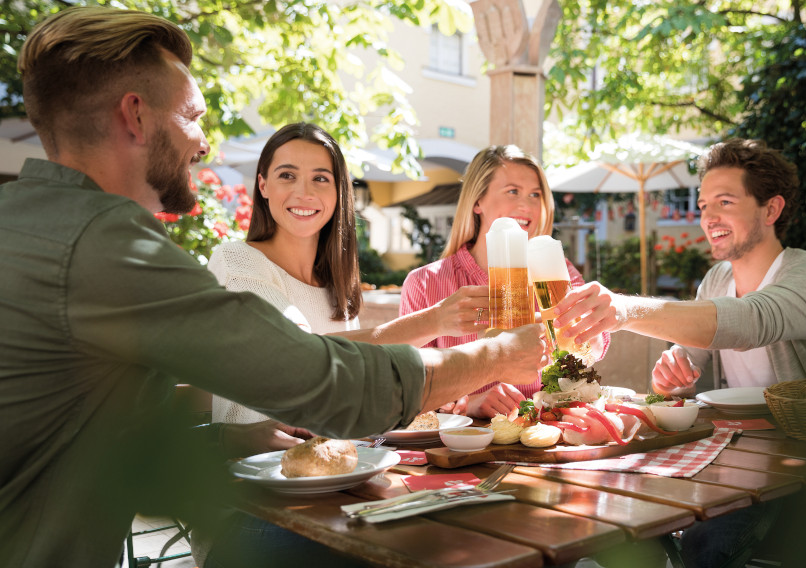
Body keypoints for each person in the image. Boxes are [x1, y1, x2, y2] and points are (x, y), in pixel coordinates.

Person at [0, 7, 546, 568]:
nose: (205, 143)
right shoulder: (103, 245)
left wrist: (228, 438)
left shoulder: (32, 222)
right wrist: (499, 354)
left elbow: (89, 425)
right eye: (193, 116)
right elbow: (325, 382)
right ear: (135, 118)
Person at [552, 138, 806, 568]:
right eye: (702, 205)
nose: (708, 218)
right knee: (700, 550)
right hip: (752, 473)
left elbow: (750, 321)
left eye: (725, 202)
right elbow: (691, 356)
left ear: (770, 210)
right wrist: (672, 371)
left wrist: (623, 309)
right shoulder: (716, 280)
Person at [195, 122, 495, 566]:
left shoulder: (336, 288)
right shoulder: (236, 262)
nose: (305, 192)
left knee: (466, 533)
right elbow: (301, 353)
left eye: (321, 178)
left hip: (337, 498)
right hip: (249, 515)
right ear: (262, 186)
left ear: (339, 193)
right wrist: (435, 320)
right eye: (286, 175)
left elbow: (346, 401)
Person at [399, 144, 610, 418]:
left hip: (543, 428)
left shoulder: (555, 270)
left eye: (536, 194)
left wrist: (587, 335)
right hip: (466, 442)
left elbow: (592, 347)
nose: (527, 205)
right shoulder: (425, 283)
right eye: (513, 191)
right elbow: (410, 385)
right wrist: (469, 403)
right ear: (477, 202)